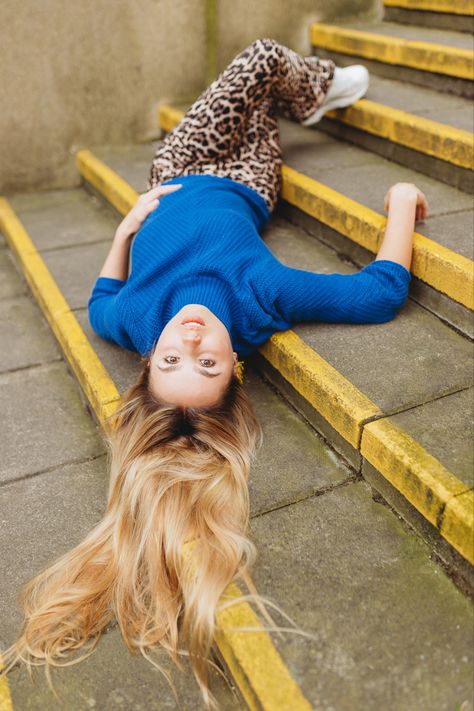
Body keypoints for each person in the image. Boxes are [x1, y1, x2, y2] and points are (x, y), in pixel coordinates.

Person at [1, 38, 427, 708]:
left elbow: (99, 307)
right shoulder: (263, 296)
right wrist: (401, 201)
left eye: (173, 359)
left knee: (258, 62)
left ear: (150, 358)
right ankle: (307, 91)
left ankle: (311, 89)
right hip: (248, 180)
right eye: (205, 363)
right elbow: (376, 296)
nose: (190, 339)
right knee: (260, 86)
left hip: (173, 169)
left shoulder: (137, 317)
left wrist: (126, 231)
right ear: (236, 366)